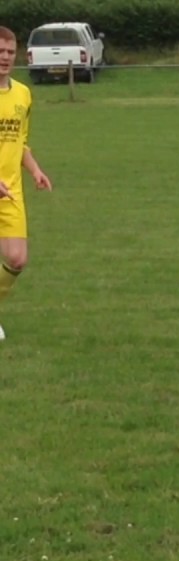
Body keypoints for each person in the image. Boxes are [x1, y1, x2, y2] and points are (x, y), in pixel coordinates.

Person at [0, 26, 53, 341]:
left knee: (17, 259)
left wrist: (35, 170)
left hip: (10, 190)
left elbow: (20, 142)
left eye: (9, 52)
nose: (4, 58)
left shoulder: (23, 94)